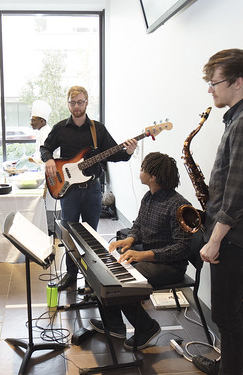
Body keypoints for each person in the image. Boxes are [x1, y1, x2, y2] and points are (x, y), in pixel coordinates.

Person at [192, 49, 243, 375]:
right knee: (230, 310)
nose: (210, 90)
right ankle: (229, 365)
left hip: (233, 238)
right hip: (232, 235)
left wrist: (214, 240)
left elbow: (239, 195)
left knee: (226, 312)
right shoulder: (239, 118)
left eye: (215, 83)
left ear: (238, 82)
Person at [89, 152, 192, 350]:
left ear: (153, 177)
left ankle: (147, 328)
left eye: (143, 169)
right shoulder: (149, 196)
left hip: (170, 266)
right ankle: (115, 325)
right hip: (150, 256)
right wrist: (130, 239)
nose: (140, 172)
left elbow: (182, 248)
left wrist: (143, 255)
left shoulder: (178, 205)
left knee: (120, 284)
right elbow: (139, 224)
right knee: (104, 271)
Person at [40, 85, 137, 290]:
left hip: (92, 189)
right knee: (69, 234)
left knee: (91, 236)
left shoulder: (97, 129)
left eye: (80, 102)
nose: (77, 106)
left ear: (86, 102)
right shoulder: (60, 128)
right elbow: (45, 147)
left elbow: (114, 154)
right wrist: (48, 159)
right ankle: (71, 275)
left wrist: (127, 151)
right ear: (68, 104)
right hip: (69, 190)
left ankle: (91, 279)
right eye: (73, 102)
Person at [29, 99, 60, 235]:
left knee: (53, 203)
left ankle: (53, 231)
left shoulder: (47, 132)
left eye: (34, 120)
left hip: (52, 173)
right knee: (48, 203)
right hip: (45, 172)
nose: (31, 123)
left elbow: (46, 156)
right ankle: (50, 229)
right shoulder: (41, 132)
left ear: (42, 121)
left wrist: (30, 159)